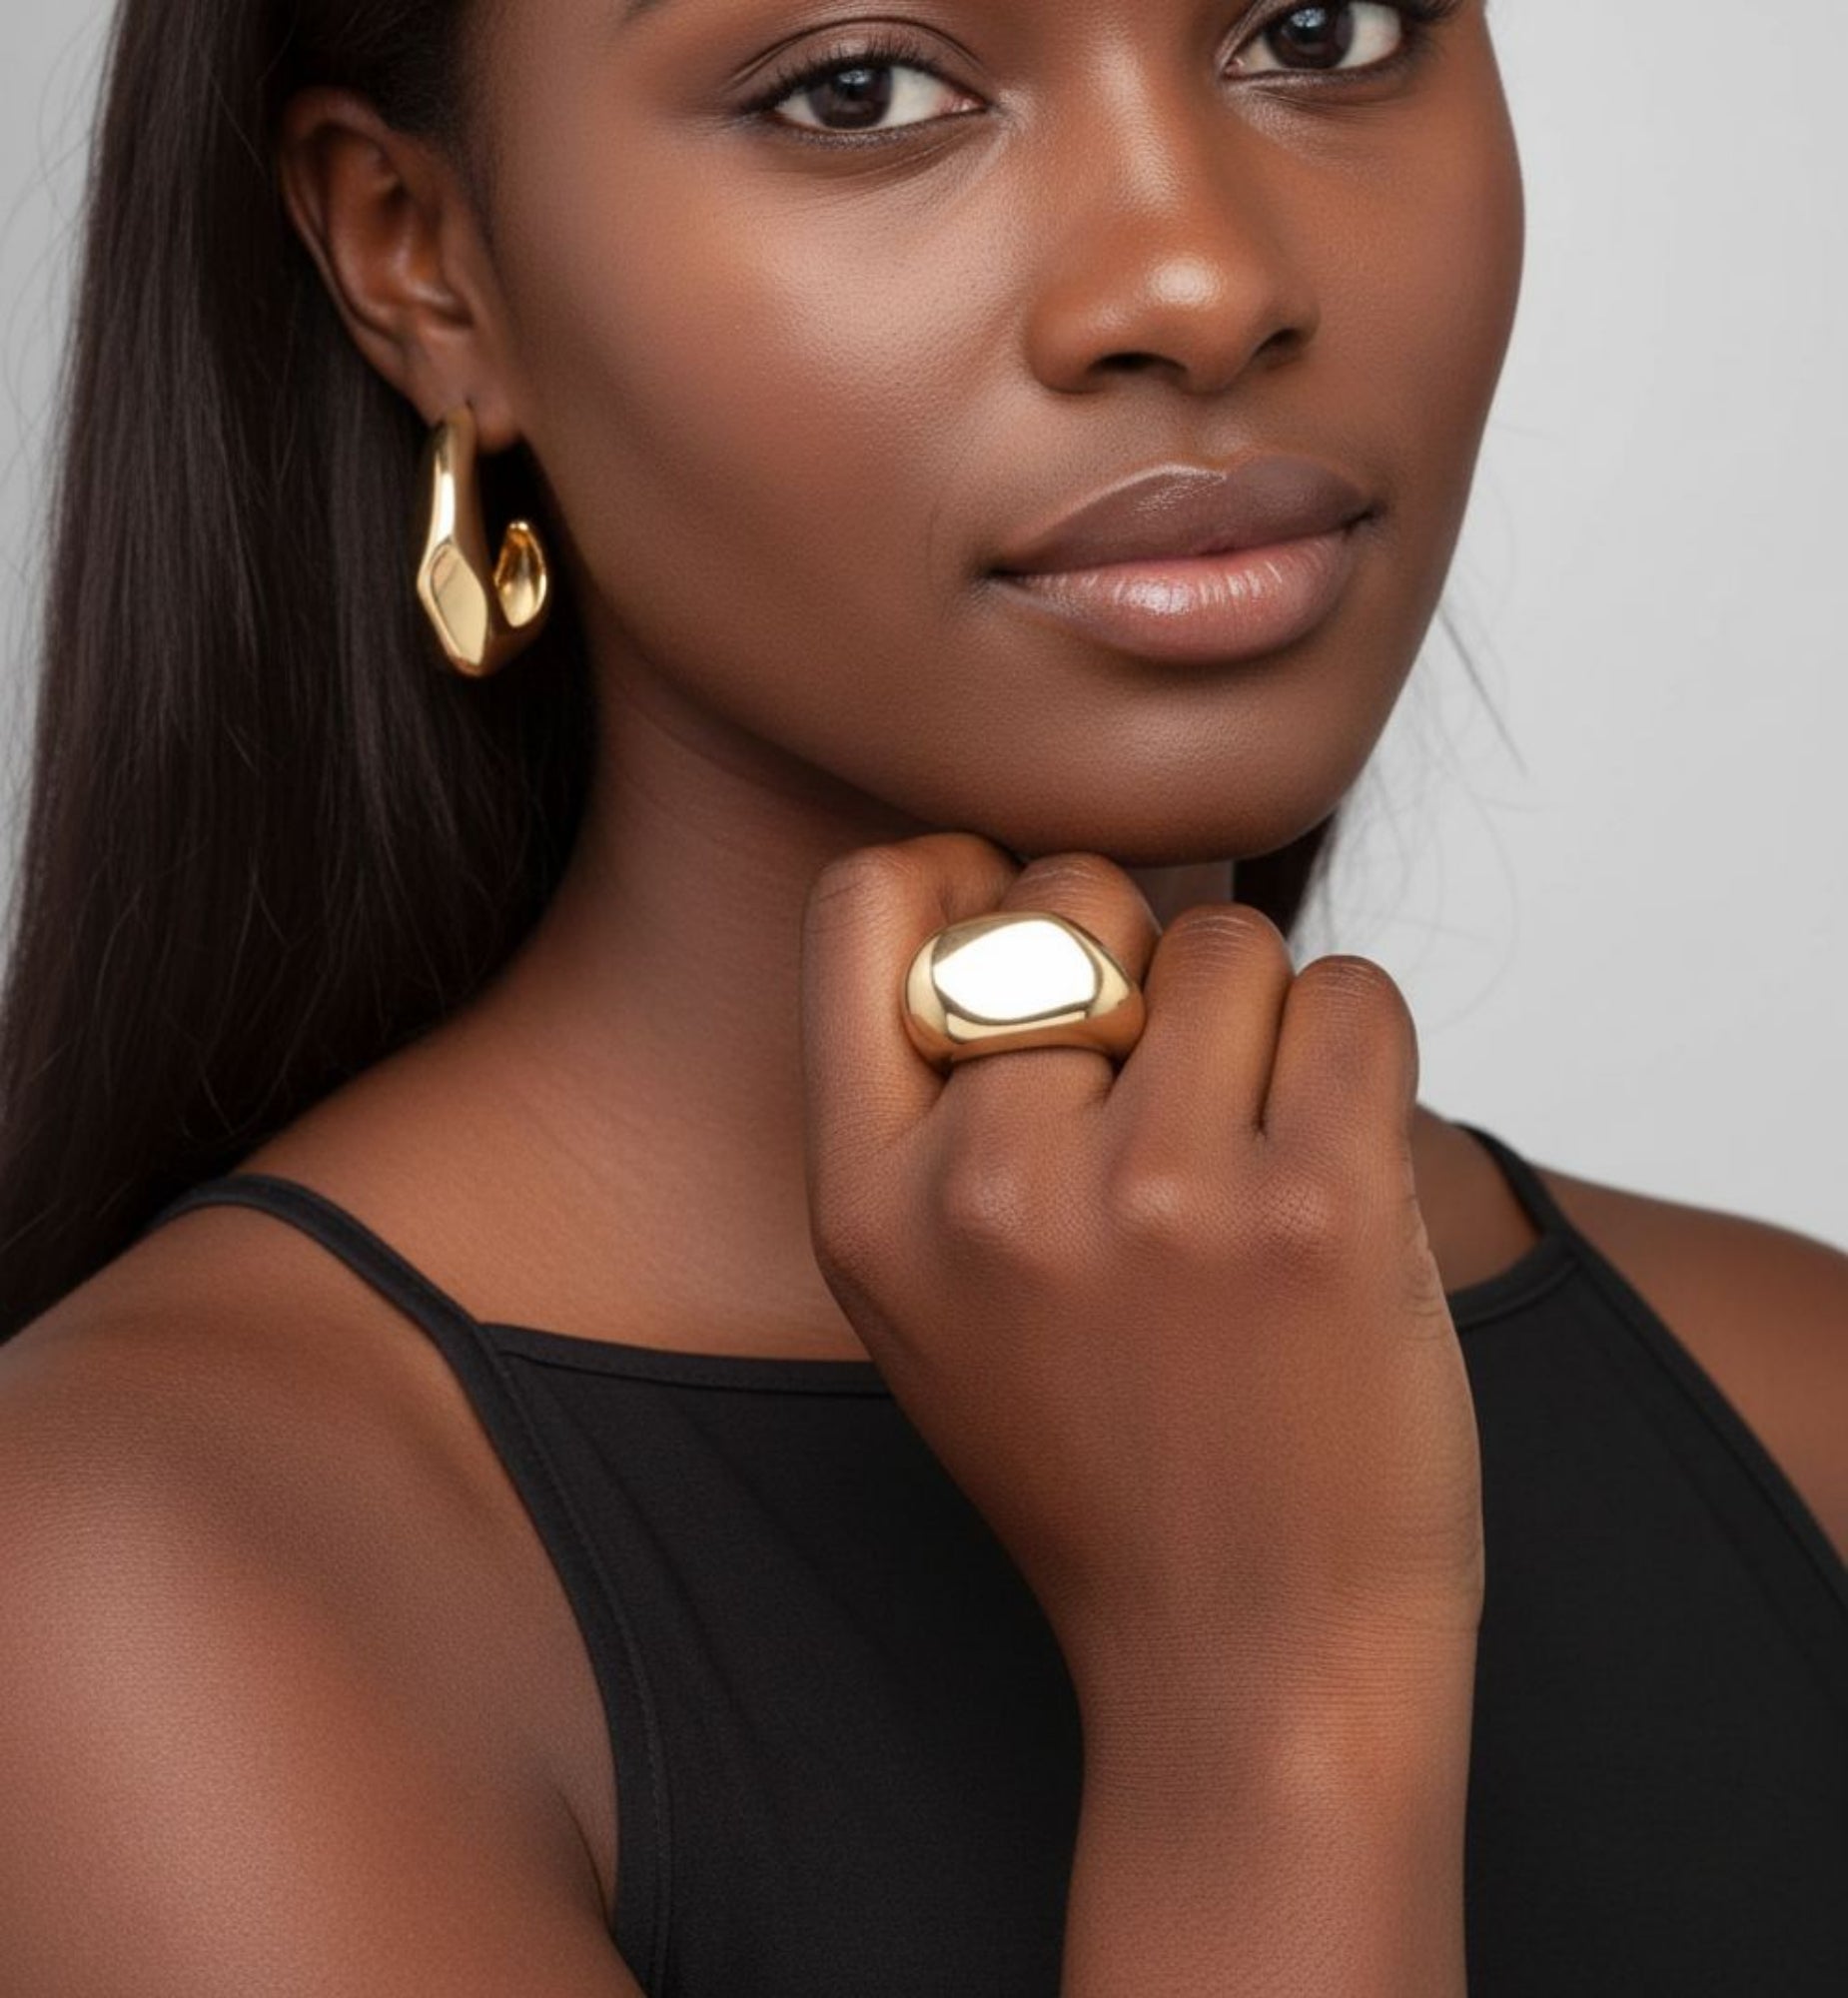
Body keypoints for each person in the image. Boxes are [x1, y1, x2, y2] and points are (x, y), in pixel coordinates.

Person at [0, 0, 1842, 1991]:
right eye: (858, 89)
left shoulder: (1800, 1391)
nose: (1201, 284)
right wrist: (1270, 1710)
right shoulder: (137, 1588)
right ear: (419, 256)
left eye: (1321, 23)